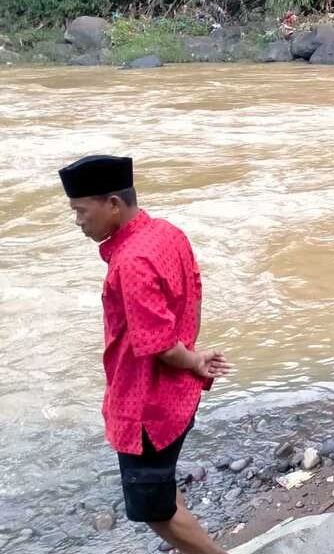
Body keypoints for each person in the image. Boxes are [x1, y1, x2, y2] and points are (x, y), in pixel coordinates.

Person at [59, 155, 232, 554]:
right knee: (162, 487)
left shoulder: (131, 261)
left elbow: (156, 344)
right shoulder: (167, 233)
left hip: (145, 408)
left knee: (156, 509)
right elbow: (195, 292)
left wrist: (191, 358)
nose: (78, 221)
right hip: (176, 398)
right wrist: (192, 353)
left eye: (81, 211)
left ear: (113, 205)